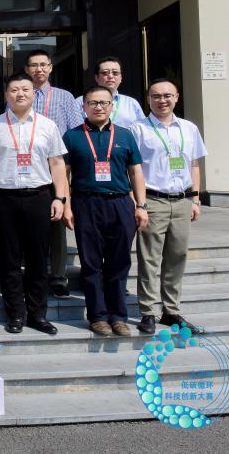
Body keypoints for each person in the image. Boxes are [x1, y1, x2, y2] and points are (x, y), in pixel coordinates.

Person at [0, 72, 70, 335]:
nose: (20, 94)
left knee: (37, 258)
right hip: (4, 198)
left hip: (39, 196)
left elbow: (57, 164)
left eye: (25, 89)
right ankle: (15, 314)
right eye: (14, 90)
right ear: (6, 95)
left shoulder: (47, 125)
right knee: (9, 259)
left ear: (33, 93)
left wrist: (60, 198)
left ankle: (37, 314)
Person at [62, 86, 148, 337]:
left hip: (120, 203)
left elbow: (136, 172)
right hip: (86, 203)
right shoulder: (72, 136)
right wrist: (66, 205)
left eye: (104, 103)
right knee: (91, 263)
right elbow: (64, 174)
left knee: (119, 262)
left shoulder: (125, 135)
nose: (98, 107)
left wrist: (141, 205)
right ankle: (98, 317)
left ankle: (118, 316)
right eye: (93, 103)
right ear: (84, 107)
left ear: (111, 106)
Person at [130, 78, 208, 335]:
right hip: (153, 200)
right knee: (149, 259)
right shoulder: (137, 129)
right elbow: (132, 168)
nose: (162, 100)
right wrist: (139, 203)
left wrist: (195, 199)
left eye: (167, 96)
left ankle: (171, 310)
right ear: (148, 99)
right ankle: (148, 312)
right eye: (156, 96)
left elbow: (194, 165)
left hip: (182, 200)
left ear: (176, 98)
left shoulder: (189, 128)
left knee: (177, 256)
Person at [25, 49, 84, 299]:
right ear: (27, 69)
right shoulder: (21, 93)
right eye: (34, 65)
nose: (39, 69)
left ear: (50, 67)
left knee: (57, 221)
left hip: (58, 165)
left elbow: (76, 130)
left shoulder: (64, 96)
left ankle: (58, 276)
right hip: (28, 166)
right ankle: (33, 272)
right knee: (29, 222)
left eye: (43, 64)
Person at [74, 56, 144, 128]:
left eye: (115, 73)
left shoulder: (132, 103)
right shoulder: (80, 101)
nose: (110, 76)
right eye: (105, 73)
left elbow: (142, 129)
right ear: (96, 77)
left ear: (121, 78)